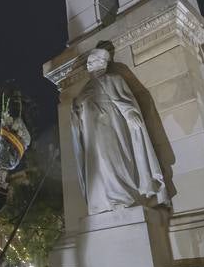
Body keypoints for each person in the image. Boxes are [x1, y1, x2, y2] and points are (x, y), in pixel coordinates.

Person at [71, 47, 168, 214]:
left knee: (114, 160)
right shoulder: (85, 87)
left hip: (111, 126)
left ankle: (123, 196)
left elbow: (125, 99)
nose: (89, 65)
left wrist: (130, 112)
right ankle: (102, 202)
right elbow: (76, 109)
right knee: (97, 165)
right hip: (91, 131)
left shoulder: (113, 78)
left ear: (102, 63)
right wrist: (76, 108)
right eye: (88, 63)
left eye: (92, 62)